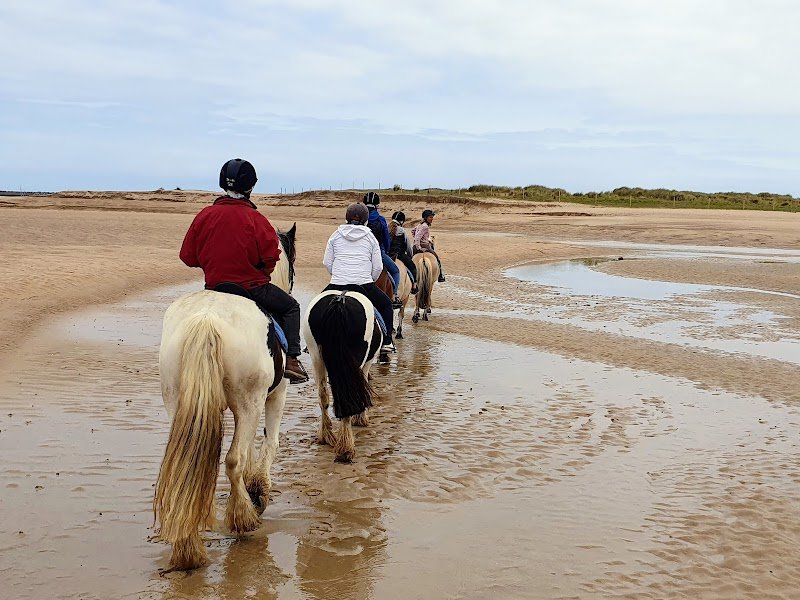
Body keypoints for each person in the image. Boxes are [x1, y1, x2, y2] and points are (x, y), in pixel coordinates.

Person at [179, 158, 309, 383]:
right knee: (291, 307)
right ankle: (292, 361)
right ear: (251, 186)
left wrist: (213, 264)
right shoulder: (256, 219)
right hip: (252, 288)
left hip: (214, 287)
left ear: (223, 183)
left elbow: (187, 256)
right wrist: (261, 272)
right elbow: (271, 257)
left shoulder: (204, 215)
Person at [322, 203, 395, 350]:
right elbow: (378, 267)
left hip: (337, 283)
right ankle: (387, 341)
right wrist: (370, 280)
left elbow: (327, 262)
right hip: (363, 284)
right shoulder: (371, 237)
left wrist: (338, 276)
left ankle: (315, 341)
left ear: (347, 218)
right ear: (365, 220)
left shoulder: (335, 235)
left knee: (319, 307)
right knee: (387, 305)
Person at [362, 192, 402, 308]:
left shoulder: (361, 218)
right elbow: (386, 239)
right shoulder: (380, 219)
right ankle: (394, 296)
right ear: (377, 205)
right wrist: (387, 251)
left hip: (361, 252)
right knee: (395, 271)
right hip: (378, 252)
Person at [388, 211, 418, 295]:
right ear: (402, 221)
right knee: (412, 267)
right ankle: (414, 285)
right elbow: (408, 246)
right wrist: (410, 256)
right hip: (400, 255)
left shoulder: (387, 228)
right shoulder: (402, 230)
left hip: (388, 255)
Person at [412, 209, 446, 282]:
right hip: (424, 246)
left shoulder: (420, 224)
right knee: (437, 259)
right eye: (430, 217)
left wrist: (417, 242)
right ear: (425, 217)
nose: (432, 219)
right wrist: (419, 247)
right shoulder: (425, 226)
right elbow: (418, 237)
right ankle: (440, 276)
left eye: (432, 217)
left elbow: (413, 231)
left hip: (415, 246)